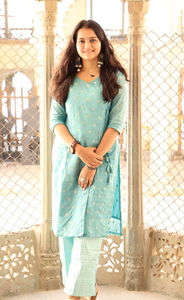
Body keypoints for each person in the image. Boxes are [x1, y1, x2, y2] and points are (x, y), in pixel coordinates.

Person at [50, 19, 128, 300]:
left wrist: (91, 162)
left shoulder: (115, 78)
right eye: (81, 41)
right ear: (75, 45)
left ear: (102, 42)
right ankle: (86, 290)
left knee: (89, 232)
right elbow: (55, 121)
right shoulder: (65, 78)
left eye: (93, 39)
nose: (87, 45)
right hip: (67, 161)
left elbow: (116, 125)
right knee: (68, 230)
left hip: (101, 162)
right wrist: (77, 149)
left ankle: (75, 295)